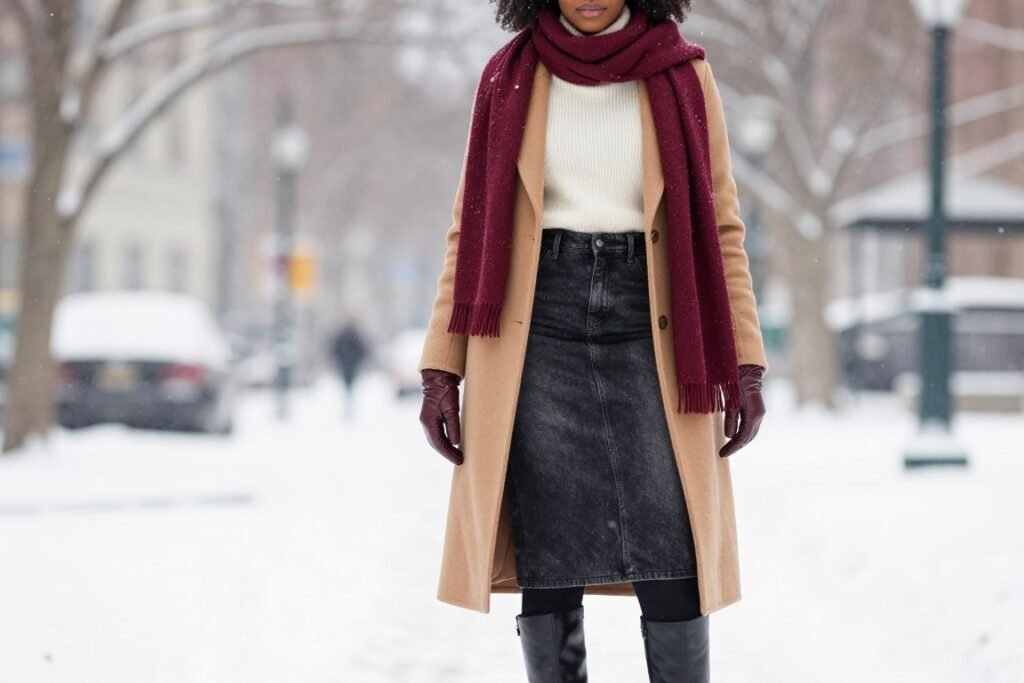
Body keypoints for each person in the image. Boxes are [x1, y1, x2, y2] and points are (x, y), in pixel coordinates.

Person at [419, 1, 768, 680]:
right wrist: (442, 367)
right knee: (548, 546)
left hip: (656, 322)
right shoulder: (509, 77)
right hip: (536, 324)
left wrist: (746, 362)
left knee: (672, 539)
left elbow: (723, 228)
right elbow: (472, 229)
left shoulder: (682, 78)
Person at [330, 320, 367, 420]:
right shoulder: (346, 337)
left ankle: (349, 407)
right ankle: (348, 406)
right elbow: (335, 350)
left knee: (349, 387)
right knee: (348, 387)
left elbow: (362, 351)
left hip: (350, 365)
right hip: (346, 365)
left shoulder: (353, 337)